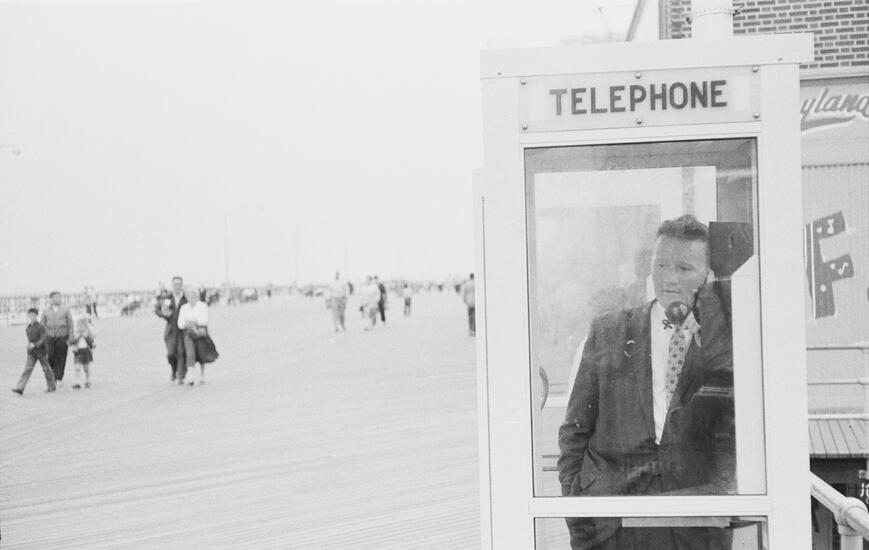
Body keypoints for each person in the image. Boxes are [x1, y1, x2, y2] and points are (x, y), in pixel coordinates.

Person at [557, 215, 735, 550]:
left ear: (708, 275)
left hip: (694, 527)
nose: (669, 278)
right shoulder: (609, 331)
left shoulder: (724, 338)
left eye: (684, 268)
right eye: (661, 265)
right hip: (611, 526)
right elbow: (574, 430)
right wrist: (577, 507)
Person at [177, 287, 217, 385]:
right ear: (187, 297)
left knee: (201, 354)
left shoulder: (202, 306)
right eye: (189, 296)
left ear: (197, 296)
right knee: (190, 353)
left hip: (200, 333)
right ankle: (191, 377)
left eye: (193, 295)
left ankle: (202, 375)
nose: (191, 298)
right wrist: (192, 323)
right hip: (188, 334)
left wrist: (190, 322)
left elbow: (204, 320)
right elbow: (180, 324)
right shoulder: (184, 307)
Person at [11, 308, 57, 395]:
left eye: (33, 315)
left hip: (41, 352)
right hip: (32, 352)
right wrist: (29, 346)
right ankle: (20, 388)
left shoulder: (41, 327)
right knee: (27, 369)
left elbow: (43, 338)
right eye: (30, 315)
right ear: (28, 316)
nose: (32, 317)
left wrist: (35, 345)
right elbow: (29, 340)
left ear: (36, 316)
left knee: (46, 369)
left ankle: (51, 386)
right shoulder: (28, 328)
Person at [155, 276, 187, 383]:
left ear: (181, 285)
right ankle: (174, 370)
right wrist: (165, 314)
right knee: (171, 353)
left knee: (181, 352)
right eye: (175, 284)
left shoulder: (185, 298)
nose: (177, 286)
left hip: (182, 330)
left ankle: (180, 376)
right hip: (170, 329)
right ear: (172, 285)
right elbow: (157, 309)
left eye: (179, 284)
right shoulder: (168, 298)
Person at [39, 291, 74, 385]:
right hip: (49, 337)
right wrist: (43, 338)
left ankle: (59, 378)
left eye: (60, 297)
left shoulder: (65, 310)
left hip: (62, 337)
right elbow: (42, 324)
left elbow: (70, 324)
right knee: (50, 357)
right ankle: (52, 377)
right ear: (51, 299)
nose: (59, 299)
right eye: (57, 297)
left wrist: (71, 337)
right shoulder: (46, 311)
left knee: (61, 357)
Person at [71, 315, 96, 389]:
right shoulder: (76, 334)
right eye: (79, 326)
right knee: (77, 368)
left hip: (86, 352)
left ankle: (88, 380)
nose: (80, 328)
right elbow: (71, 342)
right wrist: (77, 337)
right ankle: (77, 382)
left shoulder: (88, 334)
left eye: (82, 326)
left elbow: (92, 343)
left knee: (86, 368)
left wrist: (85, 336)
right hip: (78, 352)